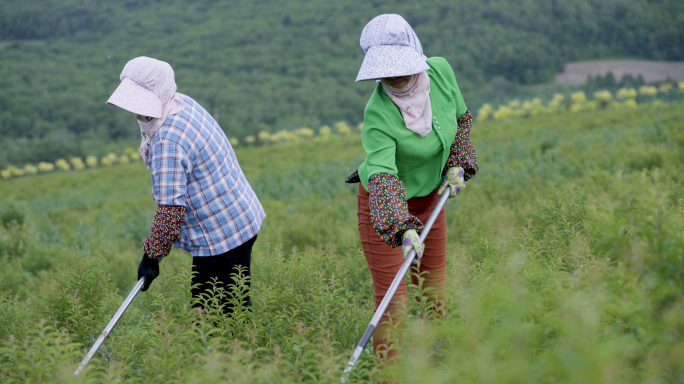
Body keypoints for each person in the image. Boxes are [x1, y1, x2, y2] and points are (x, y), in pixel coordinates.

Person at [347, 14, 478, 361]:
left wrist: (458, 163)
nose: (396, 75)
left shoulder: (442, 73)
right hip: (387, 210)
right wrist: (401, 226)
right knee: (395, 303)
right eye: (387, 70)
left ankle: (441, 367)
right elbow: (383, 176)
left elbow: (461, 121)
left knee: (434, 296)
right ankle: (388, 377)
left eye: (402, 65)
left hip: (431, 200)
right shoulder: (378, 113)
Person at [106, 56, 266, 313]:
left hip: (221, 235)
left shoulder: (168, 141)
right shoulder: (182, 103)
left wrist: (151, 258)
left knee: (213, 316)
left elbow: (170, 211)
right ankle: (245, 348)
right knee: (232, 306)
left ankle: (236, 351)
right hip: (239, 217)